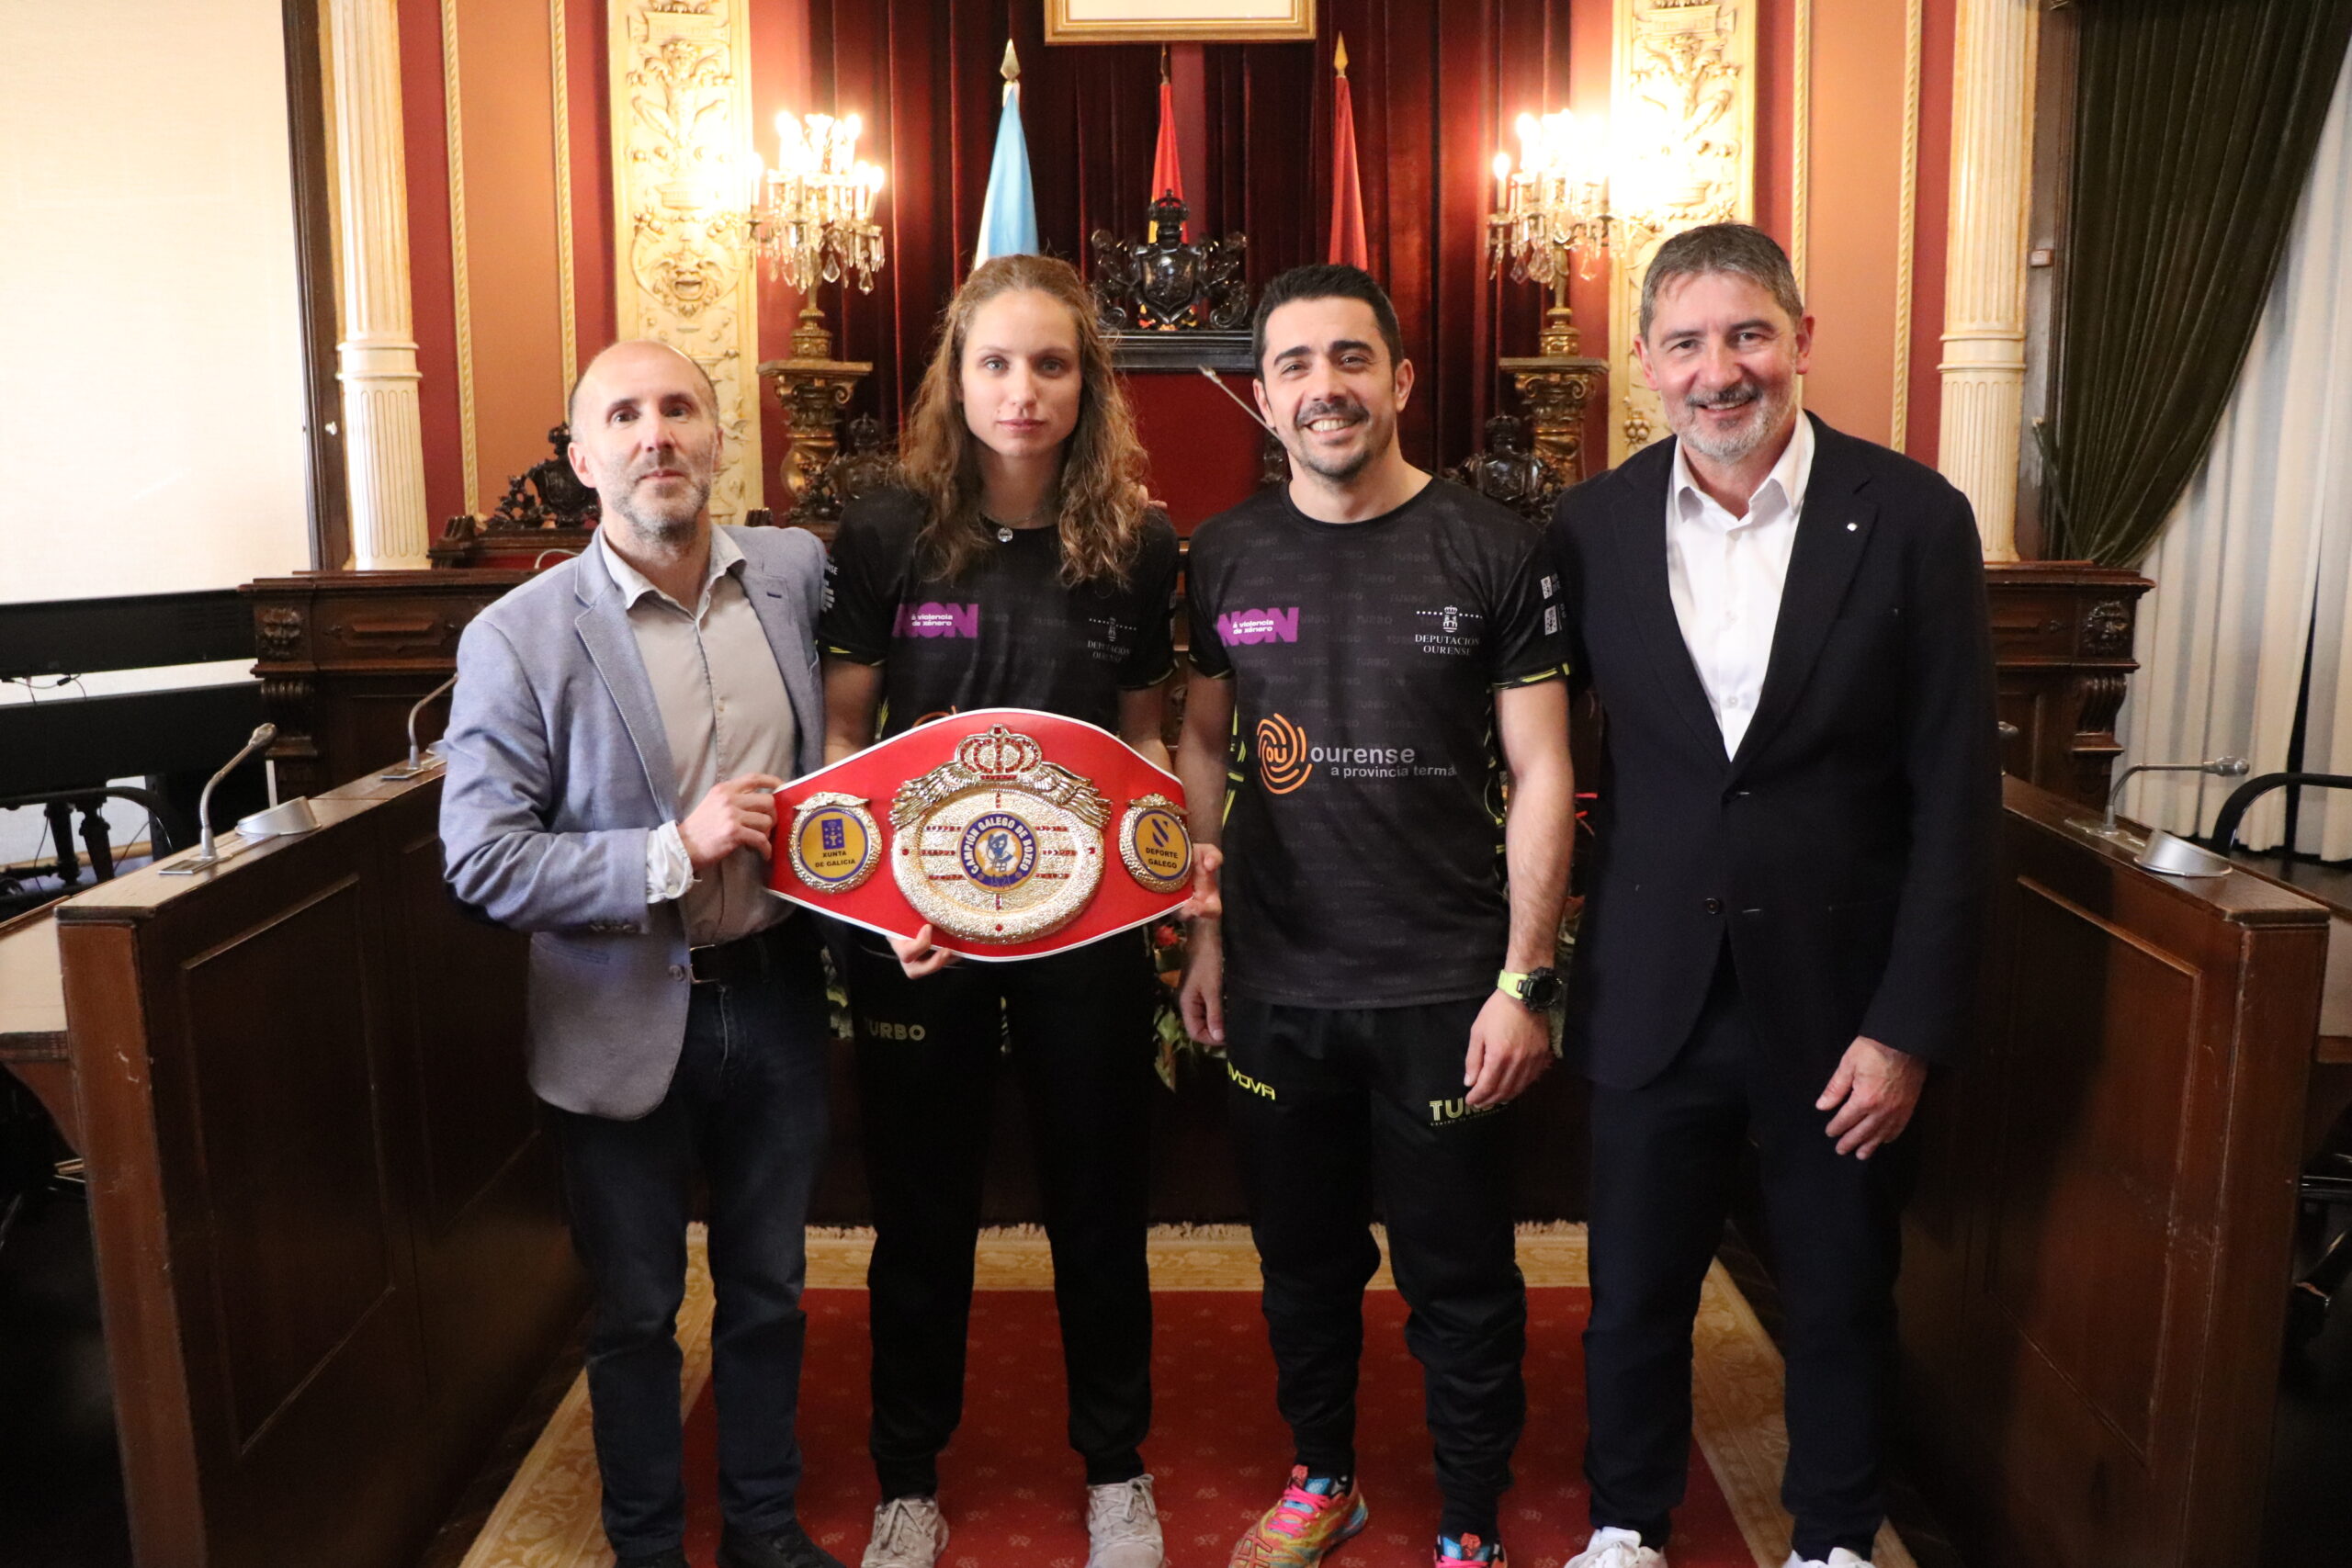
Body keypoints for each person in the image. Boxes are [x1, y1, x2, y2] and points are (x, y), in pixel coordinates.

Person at [1546, 224, 1997, 1568]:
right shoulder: (1592, 526)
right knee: (1633, 1293)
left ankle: (1835, 1539)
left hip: (1843, 1006)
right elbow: (1541, 752)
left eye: (1747, 334)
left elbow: (1956, 797)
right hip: (1653, 988)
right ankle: (1626, 1524)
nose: (1719, 370)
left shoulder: (1914, 518)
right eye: (1686, 343)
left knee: (1843, 1290)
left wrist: (1908, 1028)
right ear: (1646, 362)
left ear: (1801, 339)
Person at [1175, 264, 1577, 1568]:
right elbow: (1200, 741)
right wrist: (1209, 934)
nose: (1324, 387)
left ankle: (1468, 1522)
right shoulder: (1224, 554)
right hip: (1278, 985)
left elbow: (1543, 772)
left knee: (1459, 1275)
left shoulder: (1495, 547)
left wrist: (1525, 979)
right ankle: (1323, 1476)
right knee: (1301, 1263)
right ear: (1263, 397)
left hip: (1445, 991)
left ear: (1400, 379)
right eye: (1293, 365)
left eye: (1350, 358)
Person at [440, 339, 840, 1568]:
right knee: (635, 1315)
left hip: (775, 998)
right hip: (617, 1020)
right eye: (622, 416)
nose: (654, 434)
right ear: (582, 457)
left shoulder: (794, 574)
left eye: (678, 409)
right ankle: (648, 1547)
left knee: (771, 1292)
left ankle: (763, 1529)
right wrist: (673, 852)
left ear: (720, 438)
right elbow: (482, 862)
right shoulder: (516, 637)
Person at [816, 254, 1179, 1568]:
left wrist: (1162, 887)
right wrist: (877, 905)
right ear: (955, 378)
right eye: (996, 362)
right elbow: (844, 742)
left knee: (1100, 1202)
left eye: (1052, 364)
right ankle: (907, 1479)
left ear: (1090, 384)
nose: (1023, 390)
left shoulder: (1138, 542)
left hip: (1087, 928)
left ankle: (1117, 1472)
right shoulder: (882, 530)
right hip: (919, 935)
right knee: (922, 1212)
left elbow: (1145, 745)